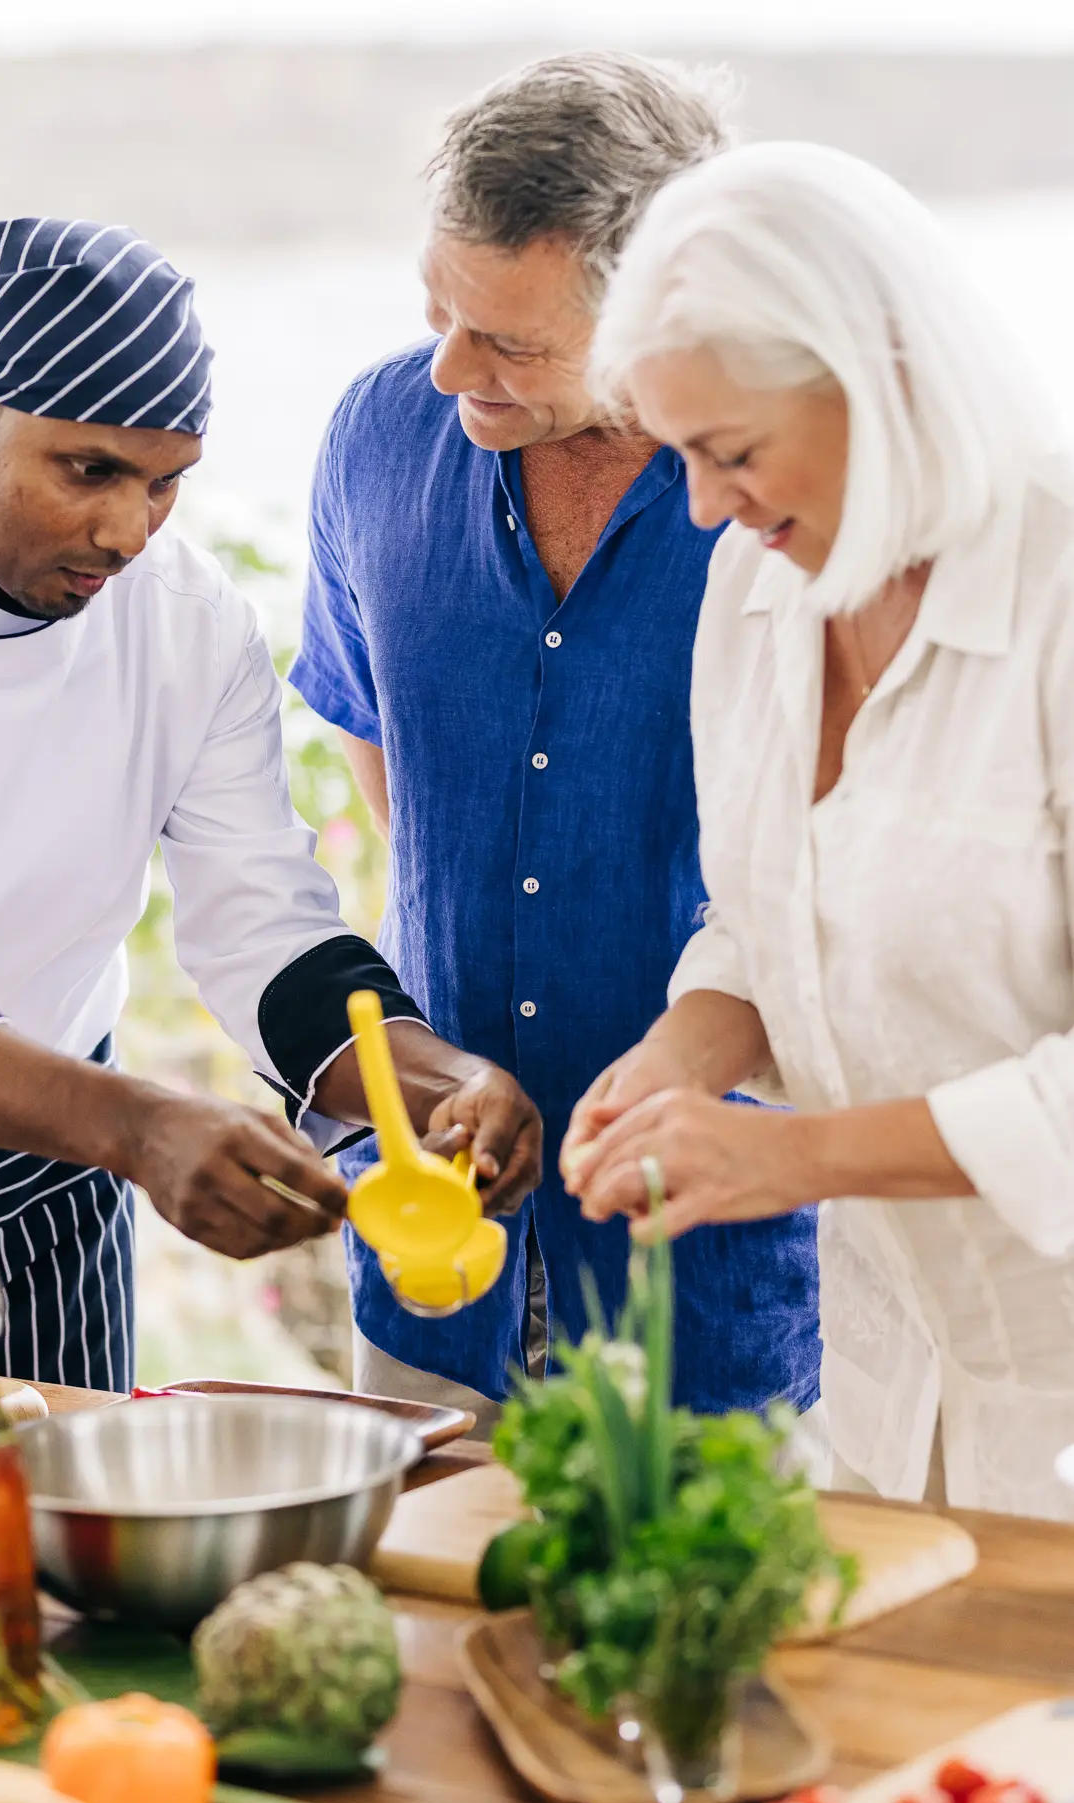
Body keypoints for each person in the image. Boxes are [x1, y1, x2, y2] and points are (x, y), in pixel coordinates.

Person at [0, 217, 541, 1392]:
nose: (128, 533)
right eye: (89, 471)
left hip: (55, 1191)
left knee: (77, 1509)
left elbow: (265, 932)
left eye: (167, 483)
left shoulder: (189, 622)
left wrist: (437, 1080)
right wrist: (142, 1127)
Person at [292, 53, 820, 1430]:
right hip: (427, 1247)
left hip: (711, 1268)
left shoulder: (786, 500)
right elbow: (380, 756)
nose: (449, 368)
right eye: (439, 313)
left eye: (509, 344)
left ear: (667, 309)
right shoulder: (375, 437)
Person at [565, 138, 1074, 1517]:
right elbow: (771, 906)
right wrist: (684, 1054)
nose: (701, 506)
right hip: (882, 1389)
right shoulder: (753, 586)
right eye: (678, 454)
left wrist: (791, 1158)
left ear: (887, 376)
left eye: (730, 452)